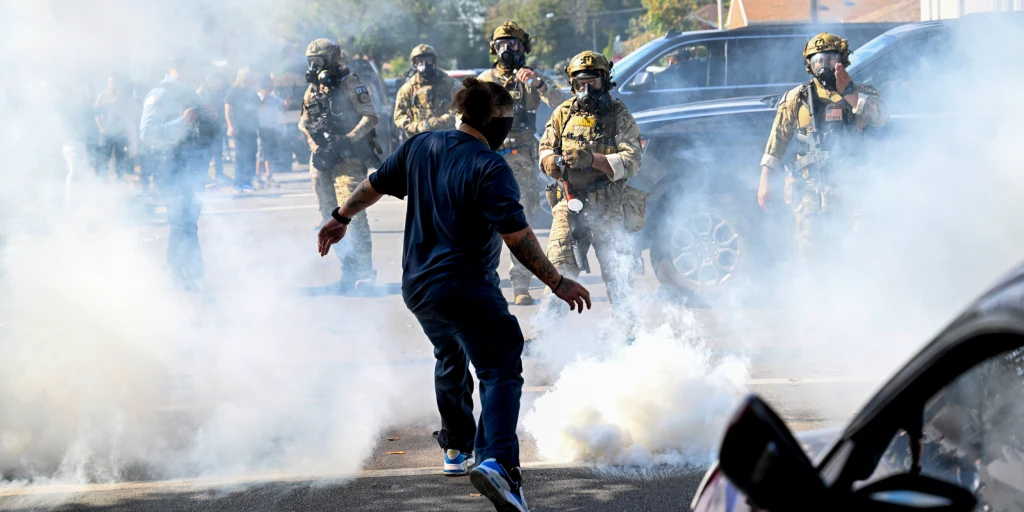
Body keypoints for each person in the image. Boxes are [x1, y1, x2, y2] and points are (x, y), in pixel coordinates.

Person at [317, 77, 590, 512]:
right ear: (493, 119)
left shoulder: (421, 145)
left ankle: (457, 447)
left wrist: (340, 216)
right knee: (501, 367)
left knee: (450, 354)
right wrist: (558, 282)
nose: (510, 123)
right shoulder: (490, 166)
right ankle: (499, 463)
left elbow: (373, 183)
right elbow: (518, 237)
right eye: (508, 118)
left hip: (419, 289)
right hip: (467, 288)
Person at [757, 33, 888, 269]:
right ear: (809, 65)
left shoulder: (862, 93)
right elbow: (777, 140)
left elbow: (880, 117)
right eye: (818, 61)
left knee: (860, 251)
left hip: (853, 188)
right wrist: (765, 179)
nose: (824, 66)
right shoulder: (796, 98)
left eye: (830, 59)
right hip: (809, 191)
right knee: (810, 254)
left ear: (843, 60)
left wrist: (849, 93)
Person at [535, 51, 645, 332]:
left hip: (609, 207)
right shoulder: (563, 113)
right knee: (558, 271)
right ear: (572, 83)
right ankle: (546, 335)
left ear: (605, 81)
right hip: (570, 203)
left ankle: (629, 335)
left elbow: (632, 161)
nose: (586, 90)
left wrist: (592, 160)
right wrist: (552, 163)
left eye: (592, 83)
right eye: (580, 83)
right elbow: (545, 147)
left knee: (619, 276)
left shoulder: (619, 115)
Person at [478, 21, 566, 306]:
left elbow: (562, 103)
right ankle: (484, 284)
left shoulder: (533, 78)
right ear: (494, 48)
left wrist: (537, 84)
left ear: (523, 47)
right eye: (502, 44)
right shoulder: (484, 80)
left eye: (513, 43)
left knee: (521, 222)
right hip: (488, 157)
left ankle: (520, 285)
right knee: (483, 224)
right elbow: (462, 118)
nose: (507, 49)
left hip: (523, 159)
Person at [300, 38, 382, 293]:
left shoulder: (350, 83)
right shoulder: (312, 89)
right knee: (328, 215)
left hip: (348, 159)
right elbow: (303, 122)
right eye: (310, 62)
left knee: (352, 215)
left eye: (318, 61)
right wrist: (317, 148)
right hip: (323, 160)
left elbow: (371, 117)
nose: (314, 66)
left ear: (332, 60)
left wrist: (346, 140)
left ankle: (365, 274)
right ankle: (348, 271)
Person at [140, 53, 220, 291]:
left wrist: (212, 119)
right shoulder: (160, 94)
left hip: (191, 170)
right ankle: (192, 276)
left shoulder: (192, 94)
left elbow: (203, 134)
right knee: (181, 222)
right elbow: (147, 133)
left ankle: (177, 272)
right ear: (174, 67)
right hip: (171, 169)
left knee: (186, 223)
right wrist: (182, 122)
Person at [393, 44, 461, 137]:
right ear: (414, 64)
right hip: (419, 140)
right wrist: (417, 127)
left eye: (428, 60)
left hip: (446, 137)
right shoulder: (408, 88)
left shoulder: (449, 84)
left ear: (434, 61)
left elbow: (463, 107)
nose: (424, 65)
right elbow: (399, 116)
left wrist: (444, 120)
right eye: (420, 61)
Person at [94, 74, 134, 182]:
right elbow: (96, 113)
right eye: (111, 82)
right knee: (104, 159)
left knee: (120, 160)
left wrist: (126, 130)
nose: (113, 84)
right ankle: (102, 184)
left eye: (115, 81)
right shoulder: (102, 96)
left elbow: (126, 114)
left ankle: (119, 185)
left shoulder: (122, 97)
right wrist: (101, 128)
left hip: (119, 133)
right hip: (106, 132)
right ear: (108, 83)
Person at [225, 67, 260, 193]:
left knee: (251, 154)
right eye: (246, 77)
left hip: (252, 128)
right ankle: (239, 183)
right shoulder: (234, 91)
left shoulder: (251, 91)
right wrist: (230, 125)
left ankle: (248, 182)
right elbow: (227, 109)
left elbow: (259, 106)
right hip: (239, 127)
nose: (248, 79)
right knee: (241, 155)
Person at [197, 71, 231, 186]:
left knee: (218, 152)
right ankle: (204, 175)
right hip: (206, 127)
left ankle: (219, 174)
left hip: (218, 126)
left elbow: (222, 107)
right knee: (207, 152)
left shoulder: (221, 92)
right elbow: (205, 108)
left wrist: (224, 121)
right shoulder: (205, 93)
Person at [256, 74, 283, 188]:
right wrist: (265, 97)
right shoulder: (258, 97)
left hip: (272, 128)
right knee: (261, 153)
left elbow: (282, 106)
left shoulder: (274, 97)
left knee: (270, 154)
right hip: (262, 128)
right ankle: (257, 177)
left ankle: (269, 176)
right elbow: (259, 108)